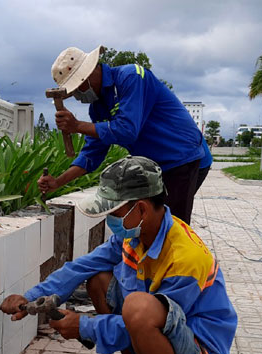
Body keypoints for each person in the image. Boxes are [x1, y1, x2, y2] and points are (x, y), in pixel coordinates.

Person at [5, 156, 237, 354]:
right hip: (165, 341)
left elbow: (144, 321)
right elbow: (83, 266)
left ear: (140, 208)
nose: (109, 219)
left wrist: (85, 326)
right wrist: (30, 299)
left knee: (139, 307)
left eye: (113, 211)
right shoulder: (137, 234)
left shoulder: (186, 258)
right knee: (100, 280)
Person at [38, 45, 211, 225]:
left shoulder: (132, 77)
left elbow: (127, 130)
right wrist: (58, 182)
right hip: (156, 167)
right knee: (147, 226)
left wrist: (77, 126)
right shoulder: (98, 107)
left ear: (86, 78)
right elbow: (92, 154)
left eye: (77, 90)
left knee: (171, 228)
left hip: (184, 159)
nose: (77, 97)